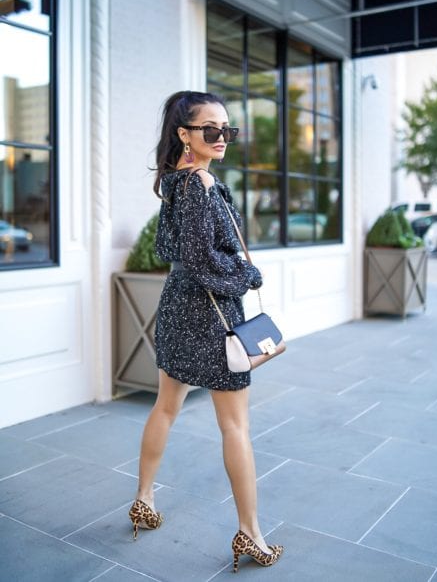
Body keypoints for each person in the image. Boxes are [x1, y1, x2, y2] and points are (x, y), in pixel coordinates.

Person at [128, 91, 284, 572]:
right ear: (184, 134)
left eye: (227, 130)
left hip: (177, 310)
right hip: (212, 313)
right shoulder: (197, 185)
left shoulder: (176, 182)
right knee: (235, 425)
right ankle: (250, 534)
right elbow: (200, 260)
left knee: (167, 406)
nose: (222, 138)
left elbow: (166, 248)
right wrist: (246, 277)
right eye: (210, 129)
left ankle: (144, 500)